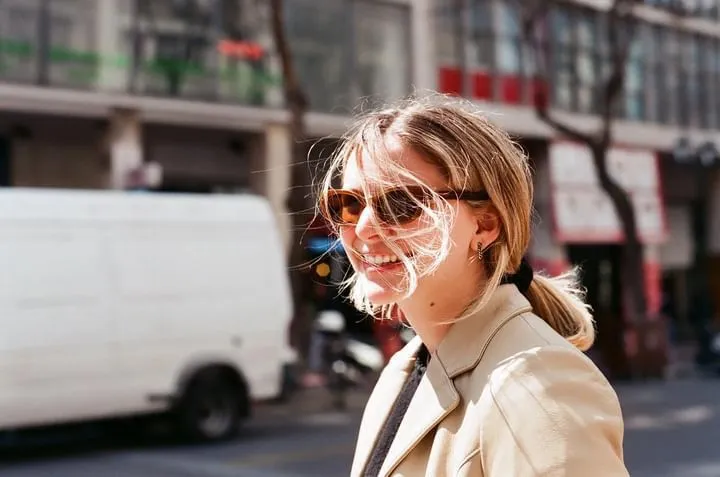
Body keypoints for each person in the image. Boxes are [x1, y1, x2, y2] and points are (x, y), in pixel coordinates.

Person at [317, 95, 629, 476]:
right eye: (349, 204)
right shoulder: (406, 367)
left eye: (401, 204)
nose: (363, 228)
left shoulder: (538, 383)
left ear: (484, 225)